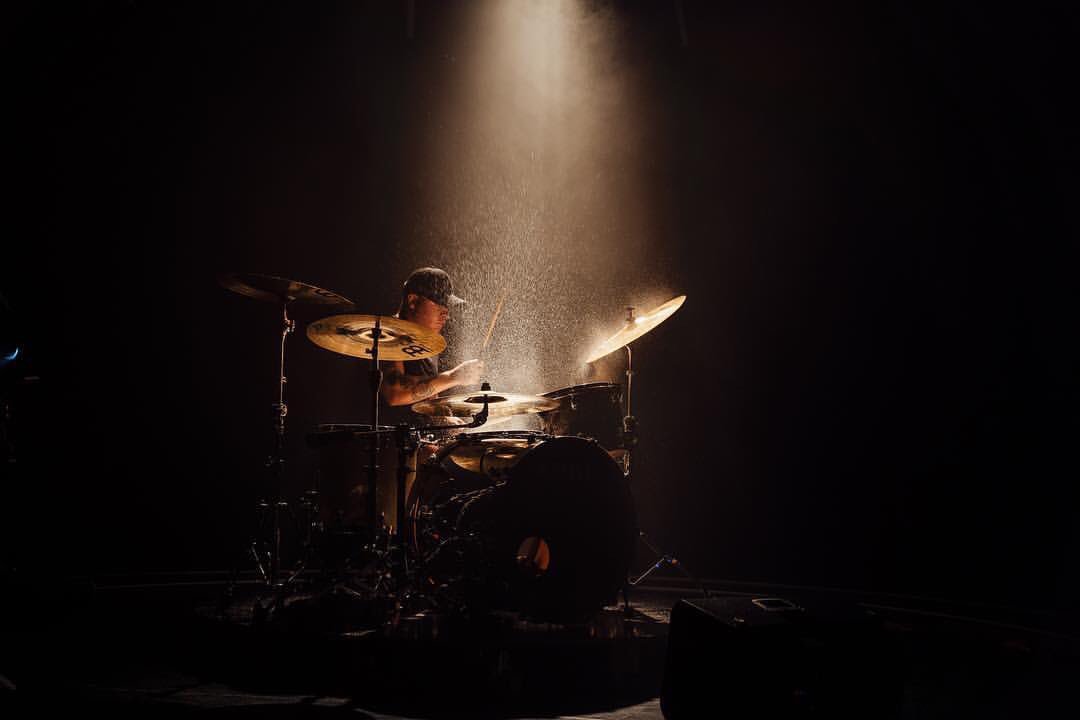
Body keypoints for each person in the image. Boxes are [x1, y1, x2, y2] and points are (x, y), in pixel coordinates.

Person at [380, 267, 483, 408]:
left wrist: (445, 416)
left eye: (447, 307)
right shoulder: (388, 333)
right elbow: (395, 394)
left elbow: (426, 397)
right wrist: (453, 377)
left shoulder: (427, 342)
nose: (445, 314)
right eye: (439, 305)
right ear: (413, 301)